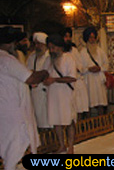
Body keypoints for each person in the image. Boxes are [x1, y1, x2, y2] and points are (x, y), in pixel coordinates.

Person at [0, 26, 49, 170]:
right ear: (11, 44)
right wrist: (44, 73)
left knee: (8, 146)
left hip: (4, 110)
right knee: (14, 148)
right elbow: (31, 78)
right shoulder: (7, 60)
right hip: (13, 112)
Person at [43, 34, 77, 154]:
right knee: (56, 120)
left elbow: (72, 78)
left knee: (68, 121)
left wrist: (55, 80)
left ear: (60, 47)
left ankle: (71, 146)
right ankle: (62, 145)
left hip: (65, 95)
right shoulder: (48, 60)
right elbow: (45, 74)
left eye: (53, 48)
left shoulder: (68, 58)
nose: (51, 50)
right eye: (50, 48)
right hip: (52, 95)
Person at [61, 27, 89, 120]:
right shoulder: (58, 52)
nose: (68, 39)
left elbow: (80, 65)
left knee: (79, 106)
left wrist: (77, 68)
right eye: (65, 36)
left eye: (69, 37)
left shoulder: (74, 50)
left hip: (77, 81)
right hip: (64, 84)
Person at [80, 27, 109, 116]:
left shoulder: (100, 51)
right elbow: (79, 67)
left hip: (99, 80)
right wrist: (88, 69)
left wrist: (99, 68)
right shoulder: (82, 52)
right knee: (88, 102)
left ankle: (101, 122)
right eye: (90, 37)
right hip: (88, 80)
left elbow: (107, 65)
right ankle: (89, 123)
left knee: (101, 101)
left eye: (93, 37)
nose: (92, 40)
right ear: (86, 39)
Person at [27, 32, 51, 129]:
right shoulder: (32, 57)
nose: (37, 46)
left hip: (47, 90)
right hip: (36, 91)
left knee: (49, 117)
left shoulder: (49, 56)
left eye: (39, 44)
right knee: (38, 118)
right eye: (35, 44)